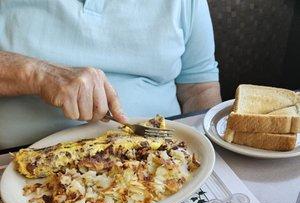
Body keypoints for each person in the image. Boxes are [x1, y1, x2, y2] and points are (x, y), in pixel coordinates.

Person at [0, 0, 221, 149]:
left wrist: (206, 152)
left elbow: (199, 88)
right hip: (22, 165)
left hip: (160, 160)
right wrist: (37, 74)